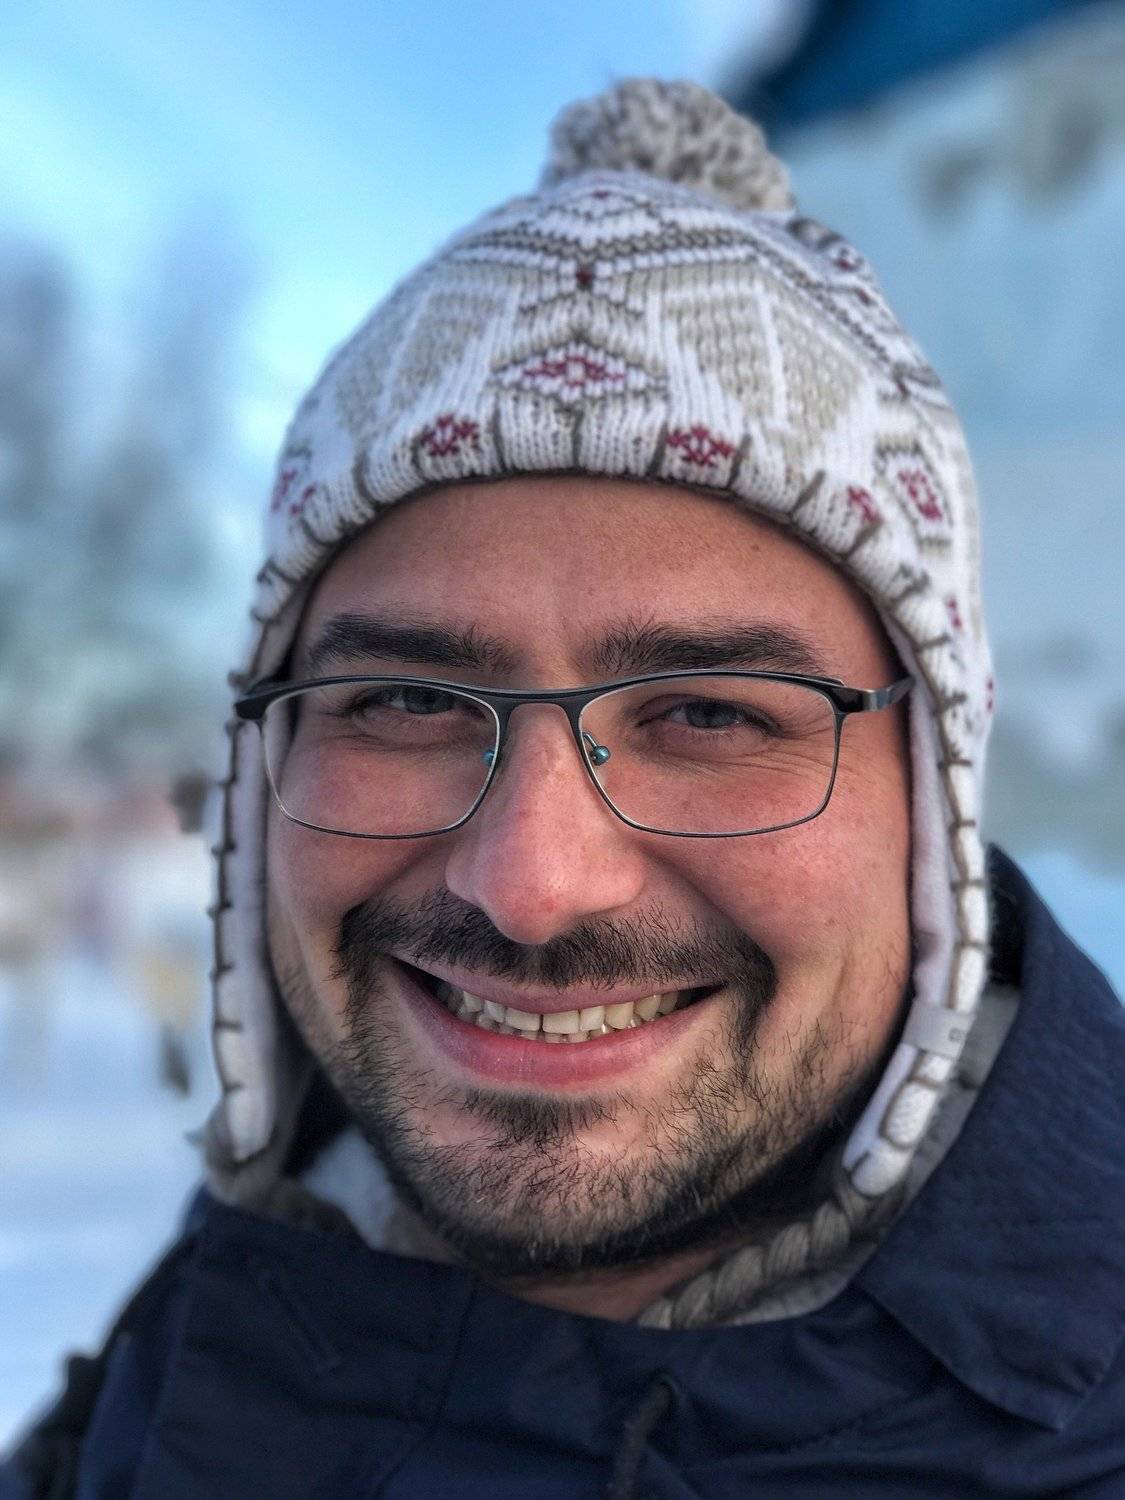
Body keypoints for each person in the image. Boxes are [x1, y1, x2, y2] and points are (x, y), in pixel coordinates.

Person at [5, 79, 1124, 1499]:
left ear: (931, 797)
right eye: (407, 701)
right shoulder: (223, 1301)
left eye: (710, 713)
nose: (530, 884)